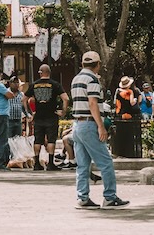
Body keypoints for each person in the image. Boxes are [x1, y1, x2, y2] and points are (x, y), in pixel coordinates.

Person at [71, 51, 128, 208]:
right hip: (90, 124)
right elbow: (92, 103)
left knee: (82, 165)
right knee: (105, 162)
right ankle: (110, 196)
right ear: (98, 65)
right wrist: (101, 126)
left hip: (77, 124)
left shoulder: (76, 79)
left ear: (82, 64)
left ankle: (82, 197)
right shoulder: (92, 80)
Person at [27, 64, 67, 171]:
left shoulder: (34, 85)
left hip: (38, 117)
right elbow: (66, 98)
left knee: (37, 140)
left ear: (40, 73)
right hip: (51, 116)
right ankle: (50, 163)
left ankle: (36, 163)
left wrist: (31, 112)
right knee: (51, 140)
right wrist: (63, 112)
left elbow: (25, 99)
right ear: (49, 73)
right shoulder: (55, 84)